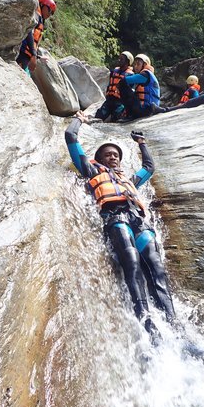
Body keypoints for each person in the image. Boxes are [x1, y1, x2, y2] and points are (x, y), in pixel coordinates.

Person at [65, 111, 176, 344]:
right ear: (100, 158)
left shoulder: (130, 181)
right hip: (114, 216)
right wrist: (80, 121)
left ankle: (173, 322)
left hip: (136, 218)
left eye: (115, 155)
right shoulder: (92, 170)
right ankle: (146, 321)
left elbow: (149, 167)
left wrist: (142, 143)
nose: (113, 157)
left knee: (155, 264)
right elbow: (70, 136)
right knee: (132, 260)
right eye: (108, 155)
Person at [16, 0, 56, 74]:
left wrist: (37, 57)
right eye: (49, 10)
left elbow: (33, 43)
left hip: (25, 55)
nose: (49, 14)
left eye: (52, 13)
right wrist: (34, 55)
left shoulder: (40, 20)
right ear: (42, 5)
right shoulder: (36, 17)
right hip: (21, 54)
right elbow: (29, 32)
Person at [117, 54, 160, 122]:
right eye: (135, 64)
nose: (136, 66)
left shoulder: (145, 74)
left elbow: (125, 80)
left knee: (122, 83)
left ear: (145, 65)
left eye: (138, 64)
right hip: (148, 109)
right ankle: (128, 114)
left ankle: (130, 115)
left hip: (146, 109)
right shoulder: (148, 75)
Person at [94, 51, 134, 122]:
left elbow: (130, 92)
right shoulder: (114, 71)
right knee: (98, 116)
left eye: (122, 59)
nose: (119, 60)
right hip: (109, 100)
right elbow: (110, 84)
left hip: (120, 102)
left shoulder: (131, 75)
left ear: (127, 62)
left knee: (116, 120)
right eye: (119, 58)